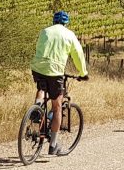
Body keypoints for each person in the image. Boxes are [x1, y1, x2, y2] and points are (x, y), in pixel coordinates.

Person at [31, 10, 88, 155]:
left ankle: (37, 108)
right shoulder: (69, 34)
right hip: (55, 71)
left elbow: (38, 47)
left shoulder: (44, 31)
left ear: (53, 21)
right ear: (66, 22)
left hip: (38, 67)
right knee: (57, 106)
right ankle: (53, 145)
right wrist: (83, 73)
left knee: (42, 87)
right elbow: (78, 54)